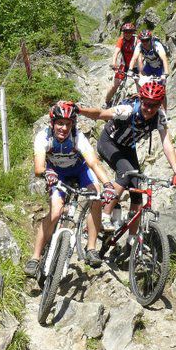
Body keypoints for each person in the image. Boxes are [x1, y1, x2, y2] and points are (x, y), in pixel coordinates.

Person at [78, 82, 176, 236]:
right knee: (126, 172)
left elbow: (167, 143)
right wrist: (80, 110)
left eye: (154, 105)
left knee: (137, 190)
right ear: (141, 100)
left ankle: (132, 240)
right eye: (146, 104)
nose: (149, 109)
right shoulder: (127, 110)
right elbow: (100, 114)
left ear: (160, 104)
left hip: (128, 148)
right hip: (108, 142)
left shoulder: (160, 117)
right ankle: (105, 215)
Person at [24, 101, 114, 277]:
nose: (63, 128)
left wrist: (108, 185)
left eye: (68, 124)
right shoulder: (44, 137)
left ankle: (91, 248)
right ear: (52, 123)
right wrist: (47, 173)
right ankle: (34, 258)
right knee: (56, 212)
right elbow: (38, 168)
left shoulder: (78, 137)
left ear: (73, 124)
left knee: (96, 198)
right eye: (60, 123)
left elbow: (93, 163)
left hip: (80, 171)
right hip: (56, 173)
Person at [104, 22, 138, 107]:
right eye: (125, 32)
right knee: (115, 85)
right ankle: (106, 103)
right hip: (124, 66)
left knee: (139, 85)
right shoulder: (121, 40)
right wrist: (114, 63)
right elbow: (116, 52)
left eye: (130, 32)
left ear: (133, 32)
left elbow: (139, 55)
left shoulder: (137, 40)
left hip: (136, 67)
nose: (127, 34)